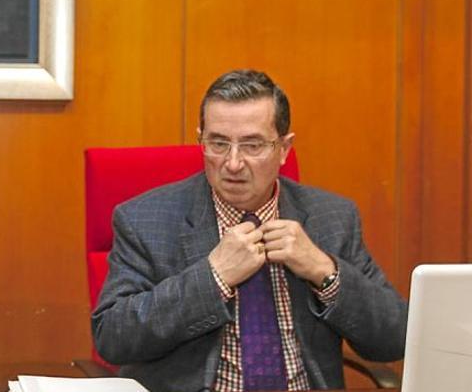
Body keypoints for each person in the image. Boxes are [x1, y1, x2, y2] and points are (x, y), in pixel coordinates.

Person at [91, 70, 408, 392]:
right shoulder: (144, 219)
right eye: (218, 143)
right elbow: (113, 337)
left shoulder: (332, 218)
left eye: (252, 145)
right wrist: (213, 277)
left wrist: (324, 271)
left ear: (284, 148)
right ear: (201, 141)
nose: (232, 163)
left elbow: (395, 338)